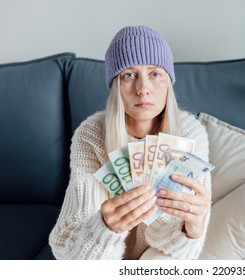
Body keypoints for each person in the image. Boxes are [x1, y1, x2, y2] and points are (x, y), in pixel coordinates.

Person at [49, 25, 212, 260]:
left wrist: (193, 230)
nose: (143, 89)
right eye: (129, 75)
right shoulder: (91, 135)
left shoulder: (190, 134)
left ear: (168, 82)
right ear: (116, 85)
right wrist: (105, 228)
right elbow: (69, 251)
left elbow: (187, 253)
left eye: (155, 74)